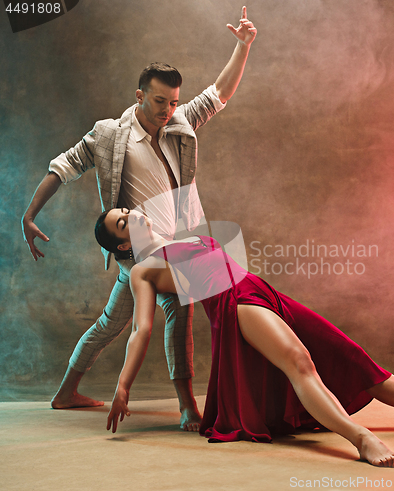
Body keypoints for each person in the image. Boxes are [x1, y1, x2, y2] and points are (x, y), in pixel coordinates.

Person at [97, 208, 394, 468]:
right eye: (122, 222)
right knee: (299, 362)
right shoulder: (142, 271)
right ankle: (361, 438)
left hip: (261, 291)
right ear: (124, 245)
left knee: (349, 355)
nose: (132, 214)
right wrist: (123, 387)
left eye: (127, 210)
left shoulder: (176, 237)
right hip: (234, 306)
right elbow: (142, 330)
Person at [20, 7, 257, 431]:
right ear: (139, 95)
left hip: (180, 239)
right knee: (176, 307)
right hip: (138, 246)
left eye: (174, 101)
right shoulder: (110, 134)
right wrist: (30, 214)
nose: (168, 109)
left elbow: (219, 93)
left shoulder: (180, 122)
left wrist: (242, 46)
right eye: (160, 101)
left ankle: (65, 392)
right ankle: (188, 407)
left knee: (114, 320)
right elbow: (64, 166)